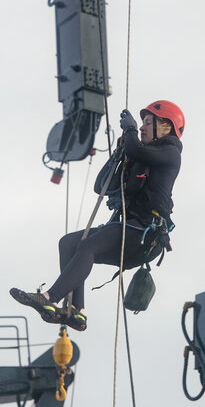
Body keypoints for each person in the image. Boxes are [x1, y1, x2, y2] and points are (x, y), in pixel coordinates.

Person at [11, 100, 185, 331]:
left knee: (88, 247)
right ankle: (76, 311)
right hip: (131, 229)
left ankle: (50, 298)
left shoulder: (171, 152)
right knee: (70, 243)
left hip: (144, 233)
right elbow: (101, 185)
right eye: (141, 123)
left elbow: (137, 149)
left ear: (165, 127)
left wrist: (131, 131)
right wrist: (120, 153)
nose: (142, 127)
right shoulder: (141, 155)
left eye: (148, 123)